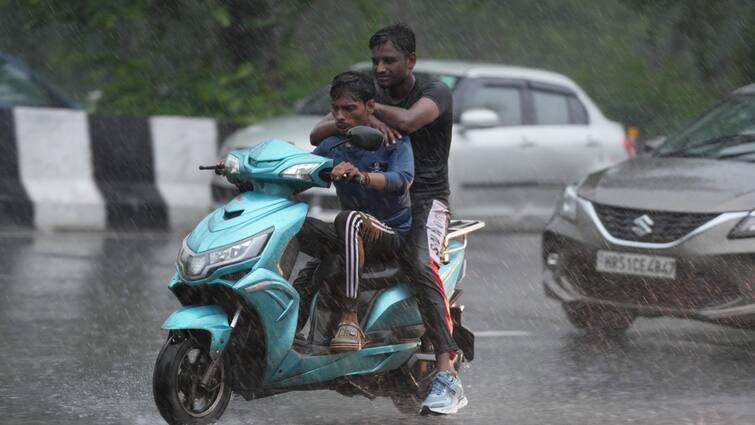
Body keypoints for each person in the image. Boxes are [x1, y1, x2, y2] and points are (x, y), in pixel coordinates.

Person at [309, 23, 466, 415]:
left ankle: (447, 374)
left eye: (389, 60)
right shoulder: (368, 98)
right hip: (380, 205)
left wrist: (374, 112)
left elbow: (411, 121)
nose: (380, 68)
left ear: (410, 61)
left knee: (418, 264)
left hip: (426, 201)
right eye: (376, 60)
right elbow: (319, 133)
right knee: (313, 246)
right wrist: (360, 116)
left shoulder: (434, 93)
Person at [296, 70, 414, 352]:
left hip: (390, 233)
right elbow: (302, 175)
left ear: (370, 107)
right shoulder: (334, 143)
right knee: (294, 223)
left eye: (349, 109)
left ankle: (350, 320)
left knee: (348, 219)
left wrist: (362, 176)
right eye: (335, 109)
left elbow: (403, 180)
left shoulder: (394, 140)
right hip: (350, 236)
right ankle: (282, 325)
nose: (340, 116)